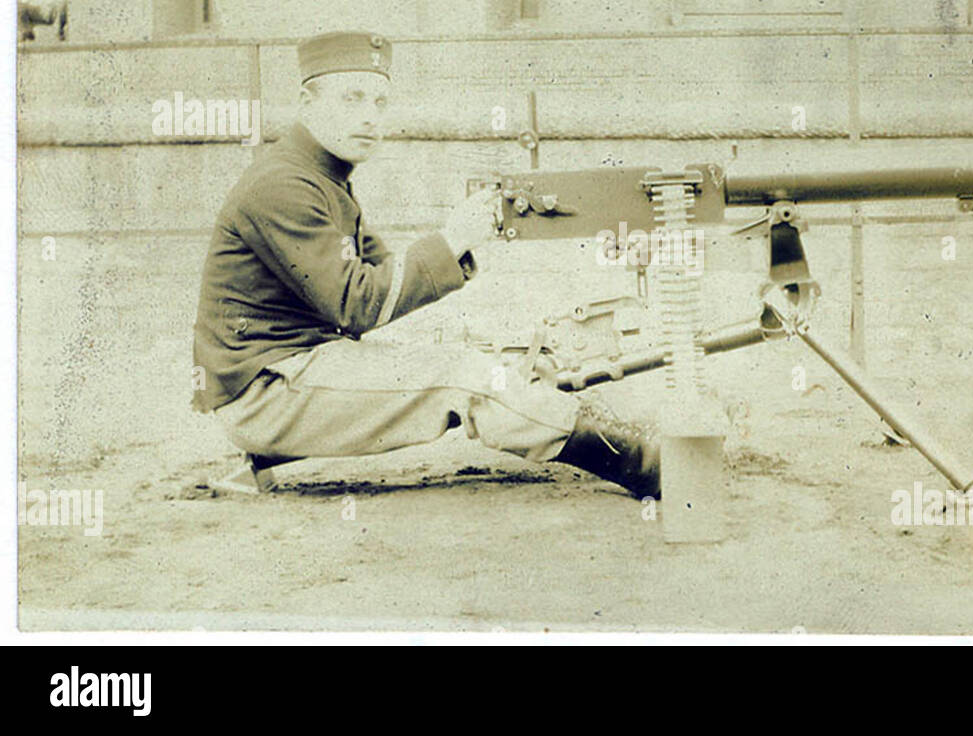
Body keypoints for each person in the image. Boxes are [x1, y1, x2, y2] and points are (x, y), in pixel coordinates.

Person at [191, 30, 659, 497]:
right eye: (352, 98)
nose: (370, 117)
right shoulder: (284, 185)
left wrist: (461, 250)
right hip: (264, 395)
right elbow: (358, 305)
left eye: (379, 102)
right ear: (306, 101)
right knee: (463, 377)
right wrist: (454, 237)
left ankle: (611, 437)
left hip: (295, 370)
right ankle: (643, 463)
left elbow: (382, 279)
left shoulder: (319, 177)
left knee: (494, 358)